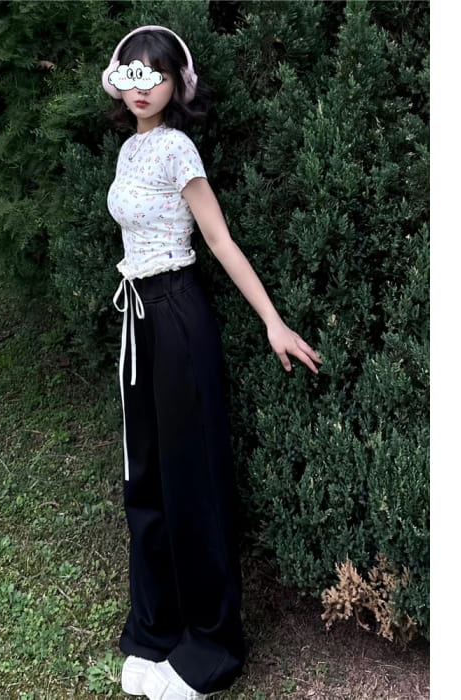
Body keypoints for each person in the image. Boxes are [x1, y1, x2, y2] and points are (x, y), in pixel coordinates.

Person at [102, 26, 322, 699]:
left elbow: (220, 240)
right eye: (132, 73)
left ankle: (209, 648)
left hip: (176, 315)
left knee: (190, 479)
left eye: (157, 74)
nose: (143, 87)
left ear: (177, 84)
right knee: (146, 477)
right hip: (137, 318)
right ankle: (155, 629)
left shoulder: (177, 148)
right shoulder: (130, 148)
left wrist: (273, 321)